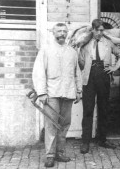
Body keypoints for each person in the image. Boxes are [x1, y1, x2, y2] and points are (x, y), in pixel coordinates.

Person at [32, 23, 82, 168]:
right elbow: (39, 71)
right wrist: (41, 92)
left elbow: (76, 73)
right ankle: (50, 156)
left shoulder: (72, 52)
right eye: (59, 31)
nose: (62, 34)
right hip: (51, 93)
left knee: (64, 125)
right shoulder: (46, 50)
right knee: (51, 125)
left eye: (64, 31)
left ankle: (60, 153)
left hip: (68, 92)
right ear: (53, 33)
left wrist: (79, 91)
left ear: (67, 34)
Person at [79, 19, 120, 154]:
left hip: (104, 76)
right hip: (89, 77)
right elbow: (79, 60)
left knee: (104, 108)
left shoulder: (108, 43)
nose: (100, 33)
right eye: (98, 30)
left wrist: (115, 67)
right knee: (88, 109)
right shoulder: (85, 43)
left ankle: (102, 139)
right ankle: (85, 142)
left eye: (102, 30)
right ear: (93, 30)